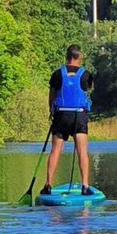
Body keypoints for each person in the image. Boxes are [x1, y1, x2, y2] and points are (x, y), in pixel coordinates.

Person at [40, 45, 94, 195]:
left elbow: (51, 96)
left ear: (67, 56)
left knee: (55, 151)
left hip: (61, 116)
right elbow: (87, 90)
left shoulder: (57, 74)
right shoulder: (86, 75)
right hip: (79, 116)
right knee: (82, 151)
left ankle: (48, 184)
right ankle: (85, 185)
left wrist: (51, 110)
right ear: (80, 57)